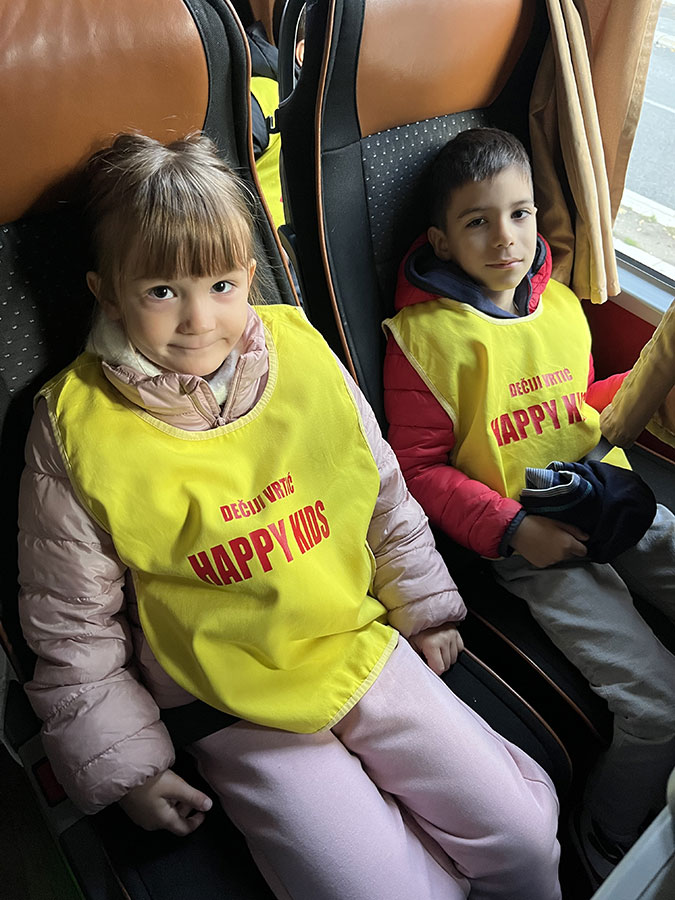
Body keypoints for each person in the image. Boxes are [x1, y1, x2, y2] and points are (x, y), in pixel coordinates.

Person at [18, 132, 561, 900]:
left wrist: (423, 603)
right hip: (229, 700)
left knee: (523, 840)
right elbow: (71, 624)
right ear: (107, 294)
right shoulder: (73, 424)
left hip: (352, 639)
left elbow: (379, 492)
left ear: (248, 276)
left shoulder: (301, 350)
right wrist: (130, 768)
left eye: (220, 286)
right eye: (161, 292)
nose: (198, 320)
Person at [383, 126, 675, 887]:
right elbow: (417, 471)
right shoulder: (423, 340)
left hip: (609, 495)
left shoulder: (561, 306)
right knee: (657, 706)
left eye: (519, 214)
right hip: (532, 542)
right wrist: (516, 529)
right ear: (441, 242)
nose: (506, 238)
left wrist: (648, 383)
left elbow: (576, 410)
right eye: (477, 222)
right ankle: (606, 835)